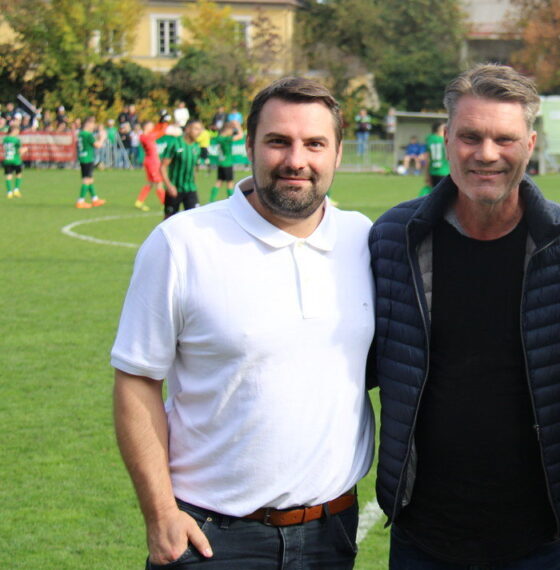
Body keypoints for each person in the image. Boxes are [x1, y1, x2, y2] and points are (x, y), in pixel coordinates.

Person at [111, 76, 372, 569]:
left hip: (331, 534)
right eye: (278, 141)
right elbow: (136, 380)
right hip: (211, 536)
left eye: (315, 143)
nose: (297, 160)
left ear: (338, 153)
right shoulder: (182, 243)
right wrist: (159, 511)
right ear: (249, 145)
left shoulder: (364, 239)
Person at [368, 63, 560, 569]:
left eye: (505, 138)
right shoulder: (394, 238)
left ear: (531, 143)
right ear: (447, 138)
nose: (487, 154)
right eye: (470, 137)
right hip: (422, 534)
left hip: (535, 537)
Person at [161, 118, 204, 218]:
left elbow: (193, 168)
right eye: (196, 129)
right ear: (188, 129)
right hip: (175, 188)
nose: (199, 132)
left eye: (200, 129)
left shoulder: (196, 147)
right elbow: (163, 167)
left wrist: (194, 181)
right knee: (169, 220)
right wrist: (169, 186)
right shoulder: (175, 143)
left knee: (195, 218)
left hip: (190, 189)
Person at [134, 120, 167, 211]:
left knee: (150, 183)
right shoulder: (146, 137)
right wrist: (164, 125)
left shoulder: (145, 136)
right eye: (150, 125)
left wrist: (162, 122)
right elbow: (160, 132)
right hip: (152, 162)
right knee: (159, 183)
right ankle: (165, 203)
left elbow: (157, 131)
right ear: (146, 127)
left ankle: (139, 202)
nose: (152, 127)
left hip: (151, 161)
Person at [209, 121, 245, 202]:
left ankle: (211, 200)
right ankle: (231, 201)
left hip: (221, 163)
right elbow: (240, 135)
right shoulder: (226, 139)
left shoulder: (219, 138)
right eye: (231, 130)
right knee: (230, 183)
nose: (232, 132)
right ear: (227, 130)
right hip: (227, 163)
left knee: (219, 181)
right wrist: (238, 126)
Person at [76, 117, 107, 209]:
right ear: (88, 124)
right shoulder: (88, 135)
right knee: (86, 180)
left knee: (90, 179)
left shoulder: (81, 134)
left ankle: (95, 199)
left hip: (83, 157)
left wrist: (97, 137)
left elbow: (90, 140)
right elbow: (97, 145)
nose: (93, 126)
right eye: (92, 124)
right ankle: (80, 201)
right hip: (87, 158)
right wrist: (103, 138)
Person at [424, 121, 450, 188]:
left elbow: (427, 159)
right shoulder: (445, 140)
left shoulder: (429, 139)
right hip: (445, 171)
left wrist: (426, 175)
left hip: (433, 172)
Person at [3, 123, 23, 198]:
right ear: (14, 130)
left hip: (7, 159)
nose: (18, 132)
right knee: (18, 174)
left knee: (8, 176)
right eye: (17, 130)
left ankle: (9, 192)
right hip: (16, 160)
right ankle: (16, 190)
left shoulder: (5, 139)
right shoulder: (16, 140)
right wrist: (25, 150)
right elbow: (19, 151)